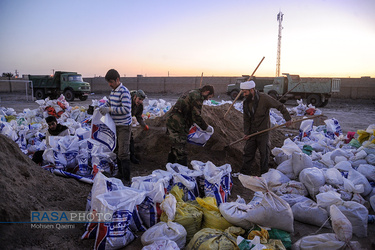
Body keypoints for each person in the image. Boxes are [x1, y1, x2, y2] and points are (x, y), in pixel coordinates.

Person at [240, 80, 292, 176]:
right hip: (252, 132)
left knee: (264, 154)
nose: (244, 94)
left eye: (245, 92)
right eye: (243, 92)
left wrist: (287, 119)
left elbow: (280, 106)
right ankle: (244, 173)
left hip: (263, 131)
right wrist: (247, 133)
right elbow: (246, 119)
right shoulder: (246, 103)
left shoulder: (264, 98)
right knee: (248, 153)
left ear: (251, 90)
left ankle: (264, 174)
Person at [166, 85, 214, 166]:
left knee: (175, 145)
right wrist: (206, 127)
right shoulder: (197, 97)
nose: (207, 99)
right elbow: (196, 116)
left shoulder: (192, 92)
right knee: (181, 146)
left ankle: (170, 165)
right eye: (209, 97)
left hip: (173, 119)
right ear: (207, 92)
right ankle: (183, 171)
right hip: (178, 122)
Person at [99, 69, 132, 185]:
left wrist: (109, 109)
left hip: (124, 126)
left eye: (111, 82)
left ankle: (127, 179)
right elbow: (109, 103)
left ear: (117, 80)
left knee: (123, 152)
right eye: (108, 82)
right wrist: (103, 106)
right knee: (117, 150)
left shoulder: (124, 92)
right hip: (115, 126)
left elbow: (126, 109)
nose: (110, 84)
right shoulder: (113, 92)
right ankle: (120, 174)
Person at [130, 89, 149, 164]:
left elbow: (138, 116)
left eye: (142, 100)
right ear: (135, 97)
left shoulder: (140, 105)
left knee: (130, 139)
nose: (140, 101)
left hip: (127, 122)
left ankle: (131, 157)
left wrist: (144, 125)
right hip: (120, 121)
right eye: (139, 99)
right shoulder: (127, 101)